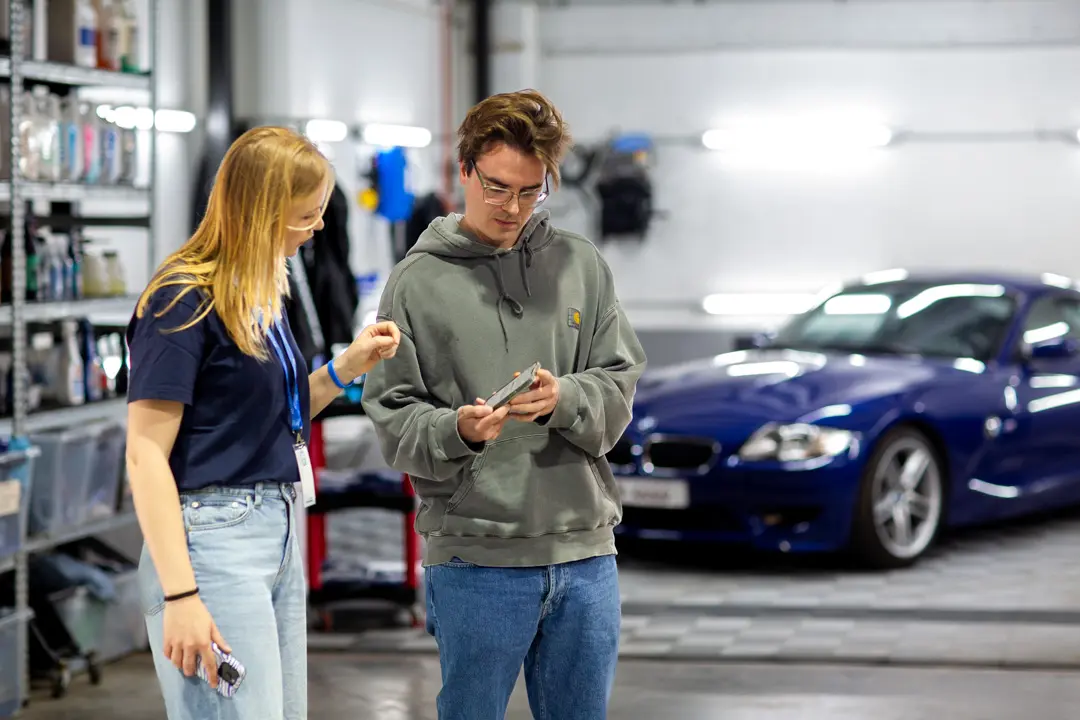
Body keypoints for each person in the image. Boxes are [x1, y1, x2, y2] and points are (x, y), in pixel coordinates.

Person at [362, 89, 648, 719]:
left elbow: (620, 380)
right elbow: (393, 414)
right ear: (464, 169)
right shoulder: (416, 282)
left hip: (584, 553)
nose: (512, 208)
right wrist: (456, 430)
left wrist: (566, 397)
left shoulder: (580, 265)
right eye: (496, 188)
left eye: (530, 191)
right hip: (476, 559)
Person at [125, 126, 400, 720]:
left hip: (275, 531)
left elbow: (278, 415)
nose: (317, 228)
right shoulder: (181, 299)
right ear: (262, 214)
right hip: (212, 543)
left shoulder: (256, 295)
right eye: (307, 215)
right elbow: (144, 456)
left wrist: (348, 366)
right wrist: (182, 593)